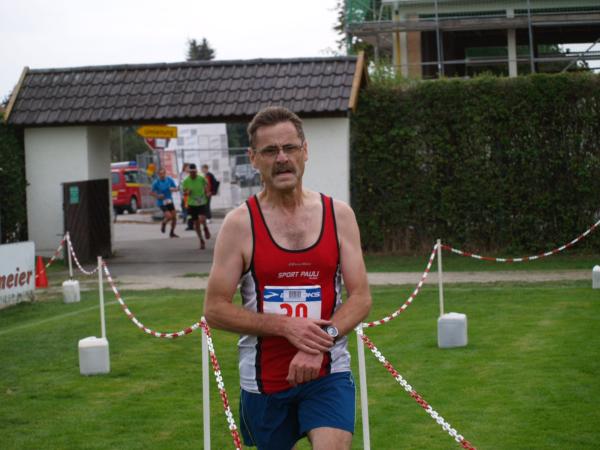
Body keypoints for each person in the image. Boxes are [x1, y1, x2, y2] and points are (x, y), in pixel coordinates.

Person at [204, 106, 372, 450]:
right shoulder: (240, 225)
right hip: (264, 380)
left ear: (305, 151)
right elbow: (215, 309)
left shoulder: (339, 216)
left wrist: (319, 342)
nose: (282, 158)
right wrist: (286, 326)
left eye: (290, 148)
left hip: (327, 371)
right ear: (253, 158)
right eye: (270, 151)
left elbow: (361, 298)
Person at [182, 163, 211, 249]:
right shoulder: (186, 180)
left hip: (201, 202)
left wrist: (207, 192)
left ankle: (205, 227)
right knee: (196, 224)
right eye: (191, 172)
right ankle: (201, 240)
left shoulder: (201, 178)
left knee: (202, 219)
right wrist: (187, 192)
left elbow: (207, 185)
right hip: (192, 204)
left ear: (196, 171)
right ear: (189, 172)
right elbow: (184, 192)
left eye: (194, 172)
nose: (193, 174)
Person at [151, 168, 179, 238]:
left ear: (165, 173)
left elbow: (176, 188)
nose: (162, 175)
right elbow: (151, 192)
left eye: (163, 173)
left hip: (169, 201)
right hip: (161, 202)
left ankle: (172, 233)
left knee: (174, 217)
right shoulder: (156, 182)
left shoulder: (169, 179)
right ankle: (164, 223)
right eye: (160, 174)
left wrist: (173, 189)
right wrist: (158, 196)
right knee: (169, 217)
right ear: (158, 174)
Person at [179, 162, 190, 227]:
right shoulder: (182, 174)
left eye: (189, 167)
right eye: (187, 167)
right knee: (183, 205)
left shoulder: (191, 174)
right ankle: (184, 217)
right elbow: (181, 182)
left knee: (187, 205)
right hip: (184, 192)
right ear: (184, 168)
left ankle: (187, 217)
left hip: (189, 192)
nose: (188, 168)